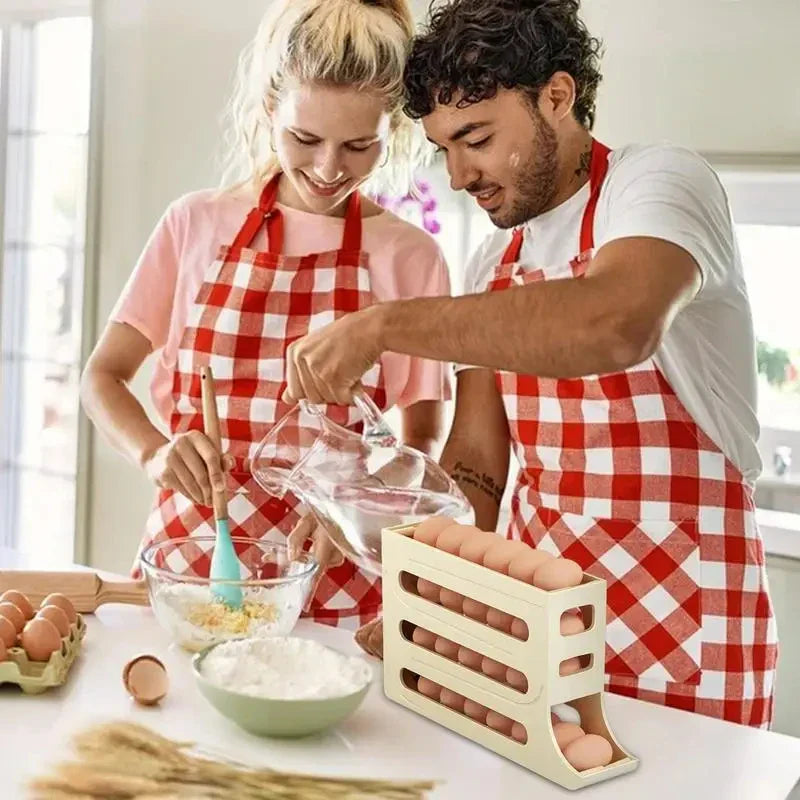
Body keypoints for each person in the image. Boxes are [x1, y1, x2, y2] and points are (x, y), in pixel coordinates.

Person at [283, 0, 778, 727]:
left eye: (476, 139)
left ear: (557, 96)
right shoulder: (493, 263)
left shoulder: (658, 186)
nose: (458, 175)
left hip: (688, 637)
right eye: (442, 148)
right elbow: (479, 465)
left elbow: (613, 324)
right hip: (535, 634)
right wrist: (421, 587)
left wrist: (385, 327)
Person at [80, 0, 452, 629]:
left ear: (395, 129)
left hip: (332, 584)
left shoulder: (411, 257)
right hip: (193, 558)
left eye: (360, 146)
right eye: (304, 139)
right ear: (268, 110)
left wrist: (362, 507)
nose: (330, 169)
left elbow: (423, 436)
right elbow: (102, 379)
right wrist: (154, 453)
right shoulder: (195, 223)